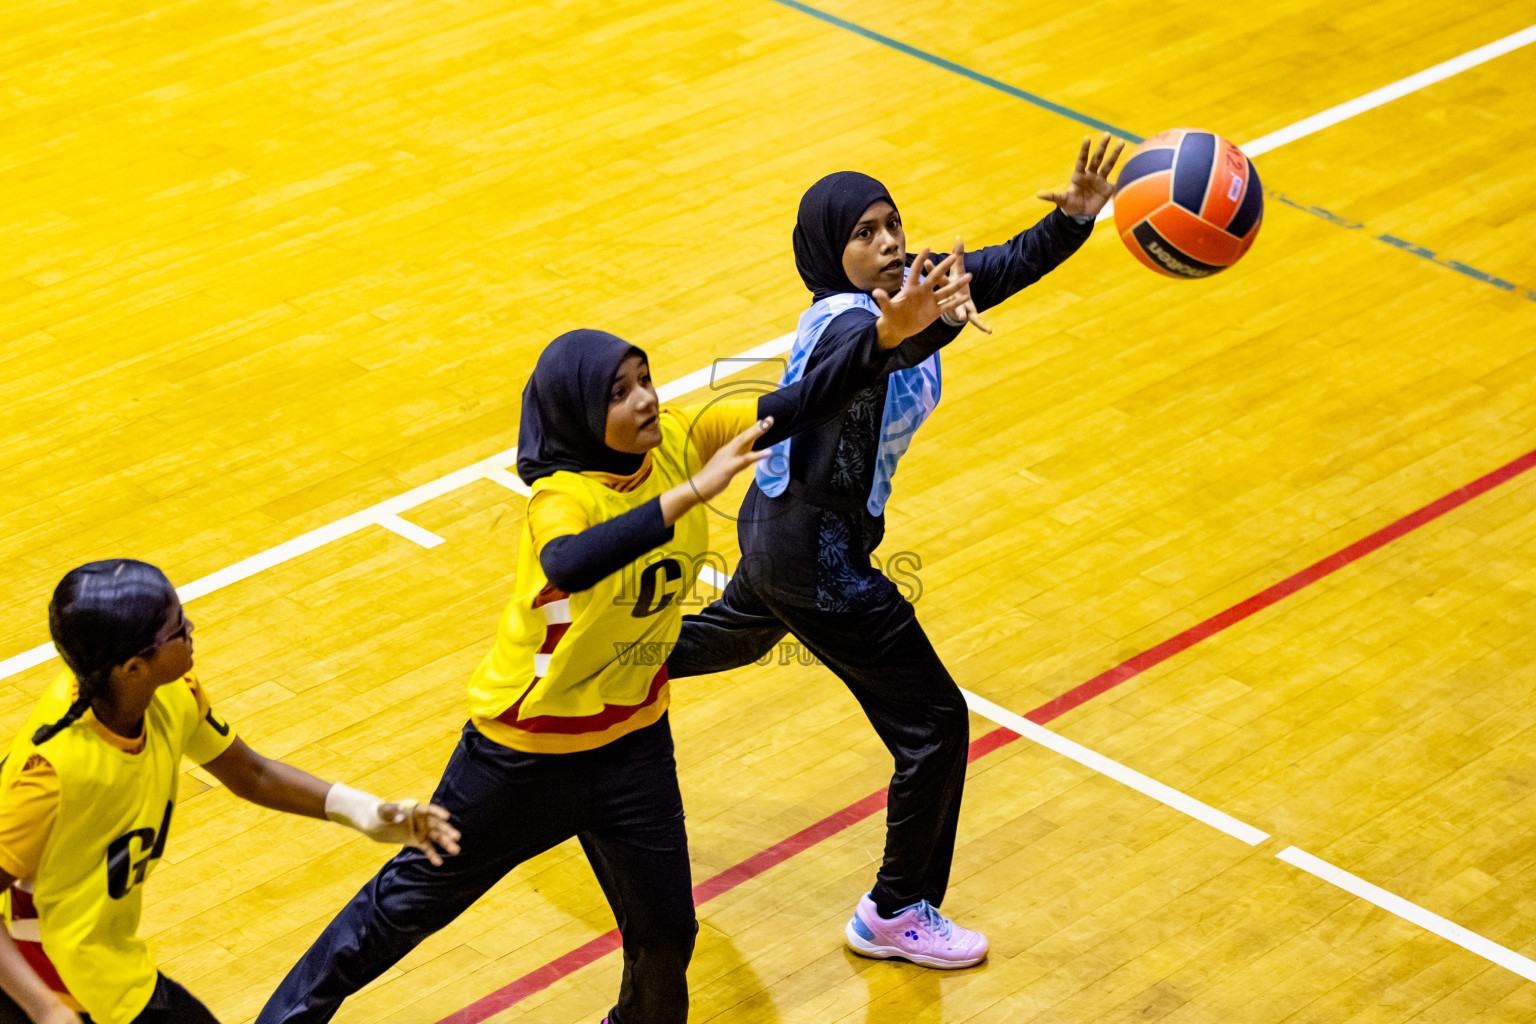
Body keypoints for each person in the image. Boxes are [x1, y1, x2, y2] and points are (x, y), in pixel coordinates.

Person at [257, 260, 975, 1024]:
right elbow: (567, 564)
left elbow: (797, 403)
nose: (645, 399)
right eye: (619, 392)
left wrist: (885, 340)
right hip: (522, 755)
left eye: (645, 379)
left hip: (633, 744)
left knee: (668, 937)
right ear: (574, 415)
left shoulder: (681, 440)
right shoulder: (563, 501)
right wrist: (688, 496)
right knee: (402, 911)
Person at [666, 135, 1125, 969]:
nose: (887, 242)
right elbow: (873, 353)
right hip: (819, 557)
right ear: (828, 255)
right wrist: (915, 330)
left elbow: (990, 268)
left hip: (776, 535)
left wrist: (1073, 224)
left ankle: (590, 670)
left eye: (892, 224)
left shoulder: (906, 292)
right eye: (865, 233)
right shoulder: (852, 324)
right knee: (937, 725)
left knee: (731, 638)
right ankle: (894, 911)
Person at [0, 559, 459, 1024]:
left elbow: (251, 774)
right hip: (44, 980)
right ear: (135, 667)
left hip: (105, 962)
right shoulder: (48, 772)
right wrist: (43, 1008)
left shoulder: (171, 694)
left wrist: (369, 814)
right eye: (178, 629)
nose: (191, 629)